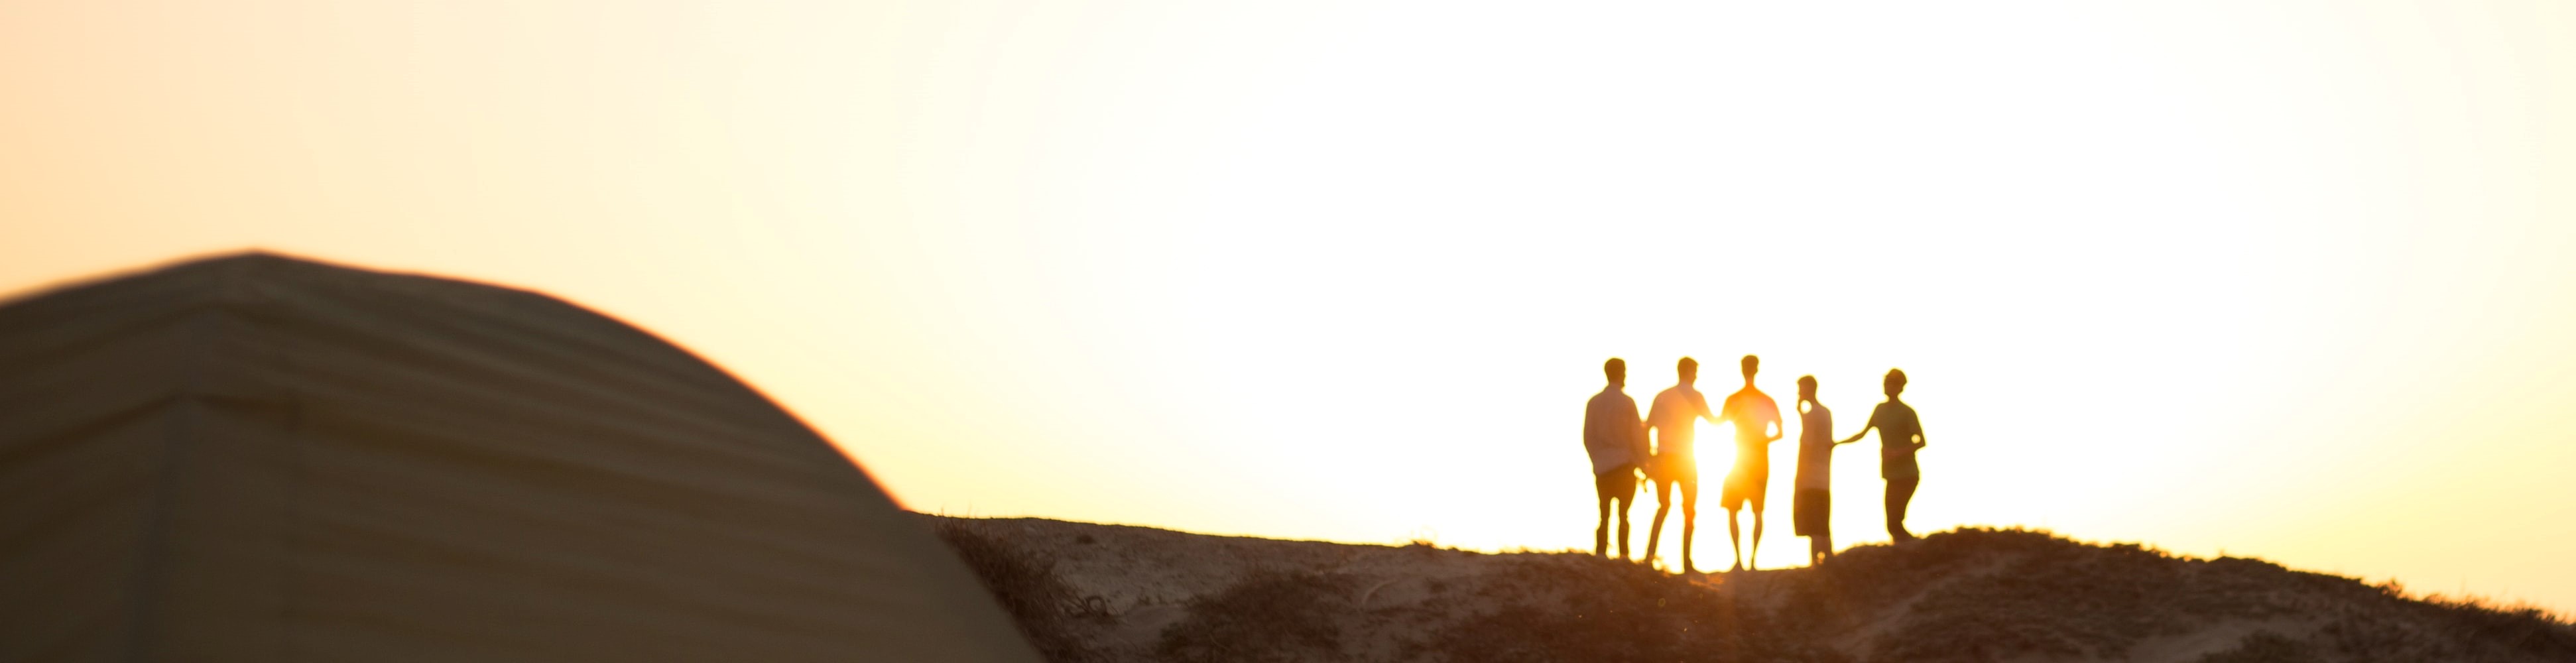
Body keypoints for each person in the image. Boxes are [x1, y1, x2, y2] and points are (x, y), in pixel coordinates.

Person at [1642, 357, 1720, 573]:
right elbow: (1713, 421)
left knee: (1663, 506)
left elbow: (1648, 427)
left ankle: (1649, 556)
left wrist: (1649, 456)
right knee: (1689, 510)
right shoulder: (1695, 396)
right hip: (1686, 459)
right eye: (1695, 372)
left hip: (1664, 457)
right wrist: (1734, 414)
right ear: (1688, 371)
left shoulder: (1663, 396)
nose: (1696, 376)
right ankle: (1687, 562)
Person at [1840, 369, 1926, 542]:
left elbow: (1921, 441)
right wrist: (1836, 444)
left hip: (1908, 474)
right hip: (1890, 474)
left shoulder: (1907, 412)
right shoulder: (1879, 410)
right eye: (1886, 382)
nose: (1888, 386)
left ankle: (1913, 550)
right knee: (1891, 525)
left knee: (1896, 521)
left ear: (1901, 387)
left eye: (1892, 383)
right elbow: (1862, 433)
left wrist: (1897, 453)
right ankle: (1905, 552)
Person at [1717, 355, 1784, 572]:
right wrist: (1762, 439)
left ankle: (1744, 559)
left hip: (1742, 458)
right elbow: (1780, 432)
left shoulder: (1735, 399)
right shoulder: (1765, 399)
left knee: (1738, 510)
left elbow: (1719, 421)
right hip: (1751, 458)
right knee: (1753, 511)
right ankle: (1749, 559)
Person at [1582, 358, 1648, 560]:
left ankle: (1601, 553)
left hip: (1602, 466)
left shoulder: (1594, 402)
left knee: (1604, 514)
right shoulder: (1627, 403)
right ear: (1621, 374)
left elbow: (1588, 437)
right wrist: (1644, 464)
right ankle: (1623, 556)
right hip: (1624, 465)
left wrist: (1596, 460)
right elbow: (1637, 436)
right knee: (1624, 516)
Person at [1790, 375, 1853, 564]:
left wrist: (1799, 477)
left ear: (1809, 389)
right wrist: (1800, 413)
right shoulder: (1825, 412)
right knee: (1822, 520)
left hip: (1810, 476)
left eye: (1801, 389)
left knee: (1813, 522)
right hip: (1824, 475)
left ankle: (1815, 563)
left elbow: (1807, 445)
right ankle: (1827, 559)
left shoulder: (1813, 415)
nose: (1799, 393)